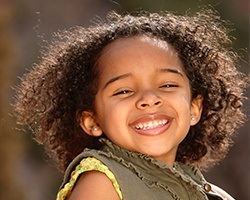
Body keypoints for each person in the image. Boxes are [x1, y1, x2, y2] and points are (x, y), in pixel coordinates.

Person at [13, 9, 248, 200]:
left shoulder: (214, 195)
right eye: (124, 90)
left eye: (167, 85)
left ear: (194, 109)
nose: (148, 98)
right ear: (92, 121)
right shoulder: (102, 181)